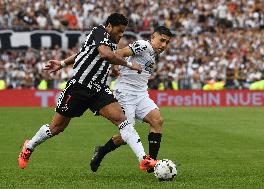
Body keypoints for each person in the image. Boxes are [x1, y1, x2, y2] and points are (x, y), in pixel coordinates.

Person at [18, 13, 157, 171]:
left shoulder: (111, 43)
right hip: (78, 88)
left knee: (122, 119)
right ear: (109, 26)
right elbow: (105, 54)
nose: (121, 35)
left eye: (123, 31)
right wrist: (130, 64)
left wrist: (63, 63)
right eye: (119, 30)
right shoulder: (99, 31)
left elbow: (84, 54)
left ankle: (143, 159)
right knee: (56, 128)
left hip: (98, 90)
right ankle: (29, 146)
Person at [90, 26, 173, 172]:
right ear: (153, 37)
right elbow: (119, 53)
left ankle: (151, 164)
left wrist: (116, 68)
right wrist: (115, 67)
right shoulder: (143, 45)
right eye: (161, 40)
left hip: (141, 94)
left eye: (167, 42)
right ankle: (101, 151)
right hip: (126, 93)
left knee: (157, 120)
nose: (164, 45)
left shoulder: (153, 53)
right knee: (126, 134)